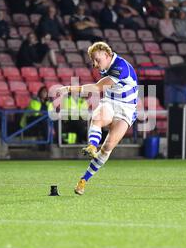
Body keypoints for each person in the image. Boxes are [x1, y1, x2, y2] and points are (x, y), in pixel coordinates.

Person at [56, 42, 138, 195]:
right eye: (92, 60)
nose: (94, 64)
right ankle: (92, 146)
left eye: (97, 60)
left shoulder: (120, 67)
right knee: (98, 118)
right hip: (110, 102)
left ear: (107, 55)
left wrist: (68, 89)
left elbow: (97, 88)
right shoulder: (106, 65)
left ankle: (84, 180)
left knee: (107, 148)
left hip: (127, 109)